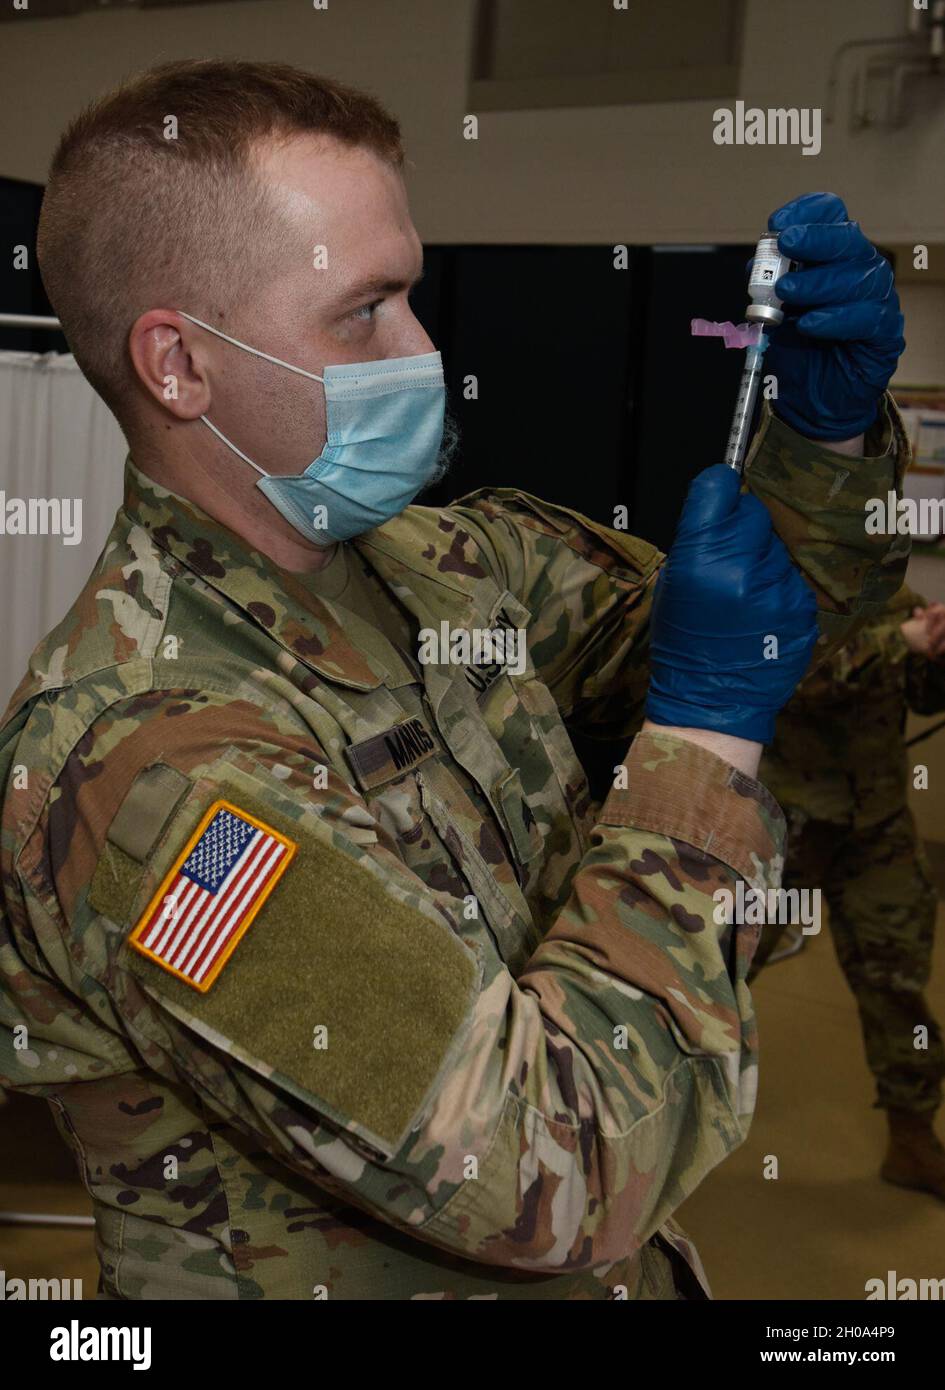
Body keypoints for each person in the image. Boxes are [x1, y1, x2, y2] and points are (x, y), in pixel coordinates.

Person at [0, 59, 909, 1300]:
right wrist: (696, 742)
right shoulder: (150, 775)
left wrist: (821, 443)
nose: (423, 350)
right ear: (177, 367)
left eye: (411, 298)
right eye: (363, 313)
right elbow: (559, 1172)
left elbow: (770, 648)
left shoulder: (443, 564)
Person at [753, 590, 945, 1199]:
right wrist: (901, 643)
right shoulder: (774, 587)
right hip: (789, 824)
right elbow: (792, 673)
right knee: (717, 975)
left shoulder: (896, 600)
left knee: (897, 980)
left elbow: (924, 696)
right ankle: (651, 1130)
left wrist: (937, 651)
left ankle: (912, 1139)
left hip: (877, 824)